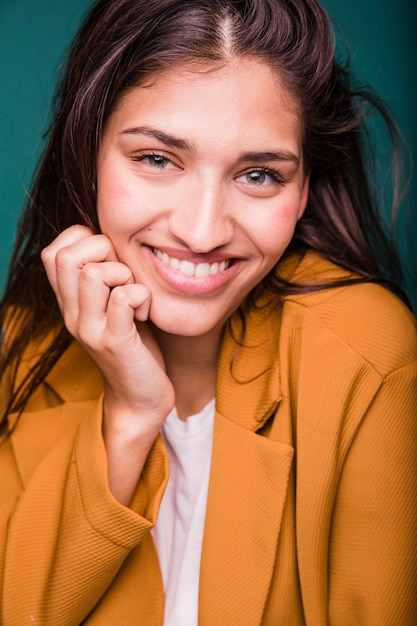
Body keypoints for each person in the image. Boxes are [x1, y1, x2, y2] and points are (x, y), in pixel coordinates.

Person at [0, 0, 416, 623]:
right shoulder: (19, 349)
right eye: (158, 159)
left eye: (258, 175)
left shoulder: (368, 358)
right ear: (87, 151)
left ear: (304, 189)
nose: (201, 231)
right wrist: (131, 413)